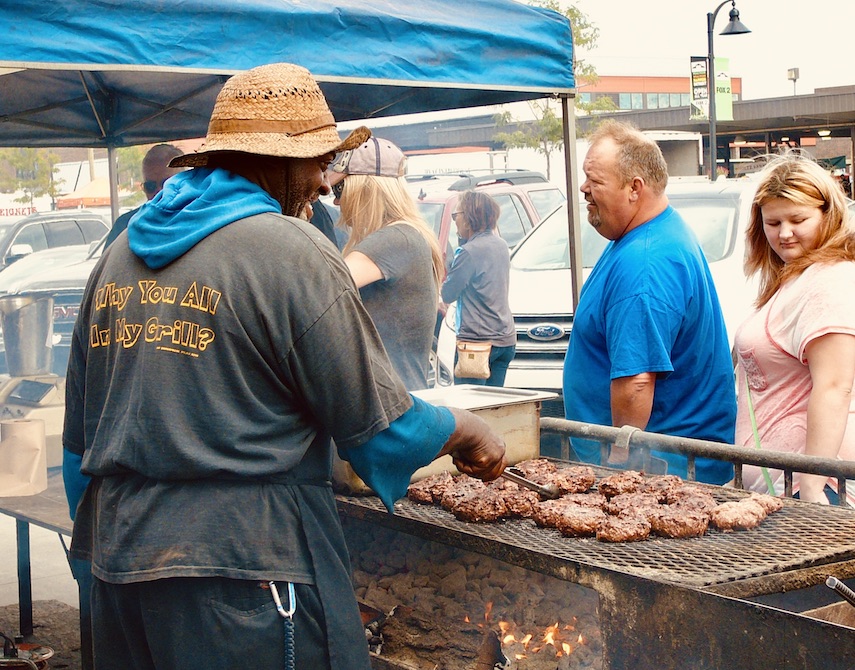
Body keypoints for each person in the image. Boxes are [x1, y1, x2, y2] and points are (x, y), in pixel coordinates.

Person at [62, 62, 506, 670]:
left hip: (120, 568)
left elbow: (76, 445)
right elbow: (381, 430)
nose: (325, 185)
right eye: (318, 165)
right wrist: (463, 430)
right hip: (246, 576)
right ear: (278, 162)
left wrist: (92, 566)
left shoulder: (116, 258)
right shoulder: (293, 252)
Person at [563, 119, 736, 484]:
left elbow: (637, 380)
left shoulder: (644, 261)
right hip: (670, 466)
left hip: (662, 473)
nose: (584, 189)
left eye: (595, 181)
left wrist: (618, 464)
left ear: (633, 189)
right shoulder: (650, 235)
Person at [734, 153, 855, 505]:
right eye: (773, 223)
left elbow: (835, 386)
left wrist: (813, 486)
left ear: (827, 214)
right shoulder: (795, 276)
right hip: (781, 488)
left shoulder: (831, 279)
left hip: (813, 492)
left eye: (798, 219)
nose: (784, 234)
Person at [330, 137, 443, 391]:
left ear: (365, 189)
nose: (336, 202)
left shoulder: (394, 240)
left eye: (340, 190)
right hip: (400, 396)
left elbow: (319, 290)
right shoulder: (408, 235)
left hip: (391, 403)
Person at [440, 190, 516, 387]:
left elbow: (448, 293)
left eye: (456, 215)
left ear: (469, 217)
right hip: (505, 340)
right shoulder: (501, 245)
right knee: (494, 407)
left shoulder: (468, 252)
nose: (455, 221)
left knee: (471, 408)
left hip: (477, 344)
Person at [103, 143, 183, 247]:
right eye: (150, 186)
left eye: (167, 184)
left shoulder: (199, 220)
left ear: (183, 182)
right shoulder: (125, 225)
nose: (159, 192)